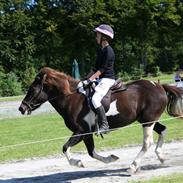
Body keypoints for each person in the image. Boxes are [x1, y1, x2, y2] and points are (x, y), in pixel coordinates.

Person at [85, 24, 116, 134]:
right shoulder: (101, 50)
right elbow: (95, 68)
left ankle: (104, 124)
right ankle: (91, 121)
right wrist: (85, 79)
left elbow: (102, 70)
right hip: (100, 79)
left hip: (107, 79)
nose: (96, 37)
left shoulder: (109, 51)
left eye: (97, 35)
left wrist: (90, 79)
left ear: (104, 37)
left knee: (95, 99)